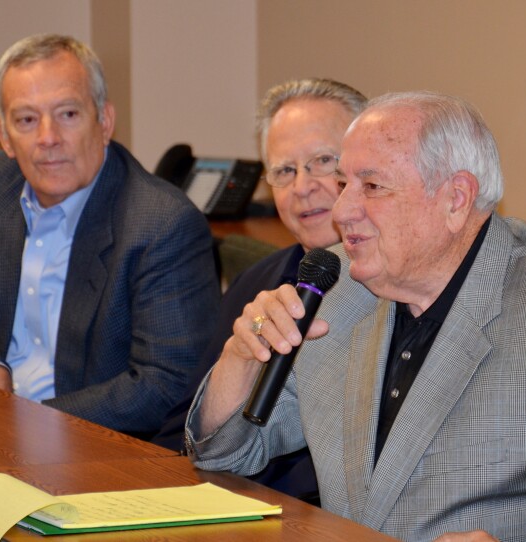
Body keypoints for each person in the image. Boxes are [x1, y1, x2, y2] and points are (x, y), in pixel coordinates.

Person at [186, 91, 526, 540]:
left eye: (372, 187)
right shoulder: (344, 288)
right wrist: (240, 357)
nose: (343, 210)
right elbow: (229, 454)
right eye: (345, 183)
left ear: (455, 199)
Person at [0, 34, 220, 437]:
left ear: (105, 121)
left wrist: (27, 423)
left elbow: (167, 385)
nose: (48, 138)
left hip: (92, 450)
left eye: (67, 114)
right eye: (27, 120)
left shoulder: (160, 224)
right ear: (5, 136)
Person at [152, 78, 366, 501]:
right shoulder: (258, 280)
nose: (303, 187)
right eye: (285, 170)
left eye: (324, 161)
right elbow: (182, 429)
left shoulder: (389, 291)